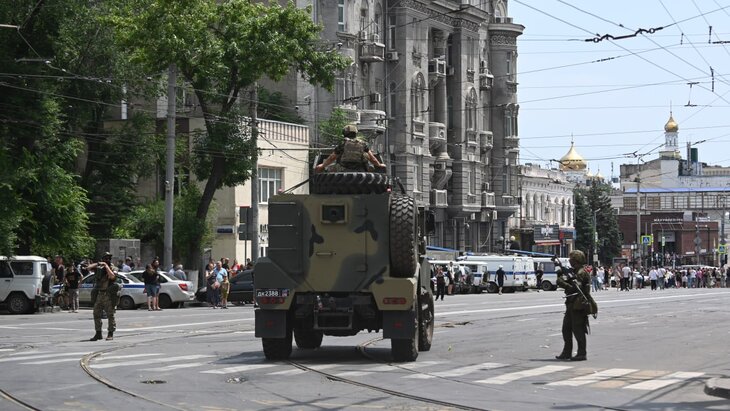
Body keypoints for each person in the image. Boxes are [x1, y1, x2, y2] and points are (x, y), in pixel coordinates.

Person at [554, 250, 592, 362]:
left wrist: (562, 282)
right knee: (566, 329)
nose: (569, 260)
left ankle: (581, 353)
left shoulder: (581, 273)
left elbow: (575, 288)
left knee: (578, 329)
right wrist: (561, 275)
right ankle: (567, 352)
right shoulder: (574, 271)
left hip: (578, 305)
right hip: (571, 304)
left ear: (576, 260)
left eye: (571, 259)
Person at [314, 125, 386, 173]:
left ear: (344, 134)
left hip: (343, 170)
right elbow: (372, 159)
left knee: (328, 169)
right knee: (371, 168)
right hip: (361, 170)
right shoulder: (363, 144)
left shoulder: (343, 144)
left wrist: (322, 166)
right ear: (355, 133)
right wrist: (379, 165)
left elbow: (332, 157)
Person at [89, 252, 118, 341]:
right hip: (99, 294)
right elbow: (88, 267)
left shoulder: (113, 268)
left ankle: (110, 333)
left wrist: (106, 266)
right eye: (105, 258)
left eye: (109, 258)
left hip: (108, 294)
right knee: (96, 313)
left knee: (110, 314)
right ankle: (98, 333)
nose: (107, 260)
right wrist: (98, 264)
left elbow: (112, 276)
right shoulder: (99, 268)